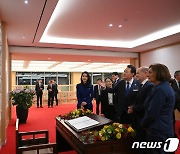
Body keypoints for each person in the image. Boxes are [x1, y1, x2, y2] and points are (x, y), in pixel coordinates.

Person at [141, 63, 175, 154]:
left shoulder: (160, 89)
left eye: (150, 72)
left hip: (158, 129)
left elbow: (152, 112)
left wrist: (143, 124)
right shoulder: (163, 86)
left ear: (159, 73)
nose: (147, 75)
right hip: (164, 127)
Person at [127, 66, 154, 153]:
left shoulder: (149, 86)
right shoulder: (142, 85)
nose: (136, 76)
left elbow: (146, 104)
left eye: (138, 73)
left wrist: (134, 108)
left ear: (145, 73)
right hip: (139, 119)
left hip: (143, 119)